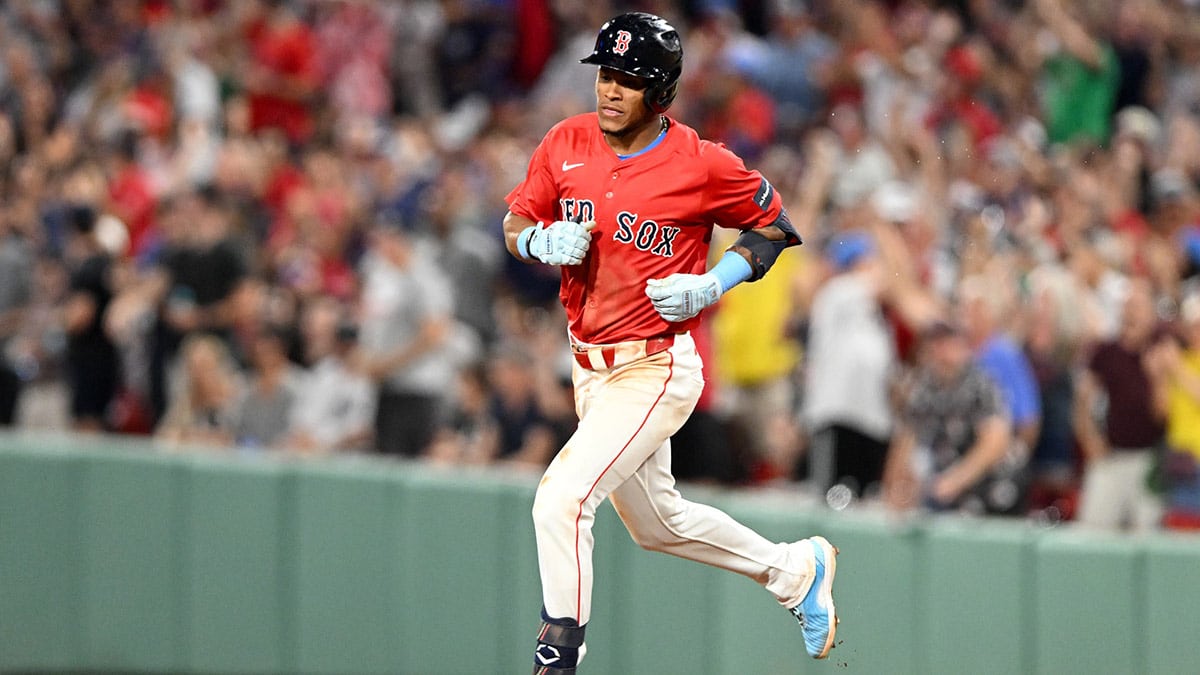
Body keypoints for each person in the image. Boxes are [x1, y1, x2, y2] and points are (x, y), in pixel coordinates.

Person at [501, 13, 838, 673]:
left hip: (655, 364)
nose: (609, 89)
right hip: (588, 368)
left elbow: (775, 226)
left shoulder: (700, 163)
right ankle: (795, 570)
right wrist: (535, 240)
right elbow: (516, 217)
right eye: (605, 73)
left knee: (562, 497)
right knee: (659, 524)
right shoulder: (565, 141)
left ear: (660, 91)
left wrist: (715, 282)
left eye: (628, 78)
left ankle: (556, 656)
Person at [882, 321, 1013, 514]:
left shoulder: (980, 385)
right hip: (931, 494)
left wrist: (955, 481)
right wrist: (895, 490)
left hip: (981, 494)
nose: (941, 351)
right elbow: (904, 443)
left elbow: (996, 442)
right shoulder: (922, 390)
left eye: (947, 343)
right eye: (935, 344)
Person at [1072, 277, 1169, 531]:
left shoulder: (1162, 351)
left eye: (1138, 306)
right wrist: (1089, 438)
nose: (1131, 313)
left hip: (1150, 457)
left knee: (1147, 531)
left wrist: (1158, 379)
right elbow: (1084, 398)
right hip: (1111, 455)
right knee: (1093, 528)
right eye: (1127, 306)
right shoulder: (1106, 351)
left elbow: (1163, 415)